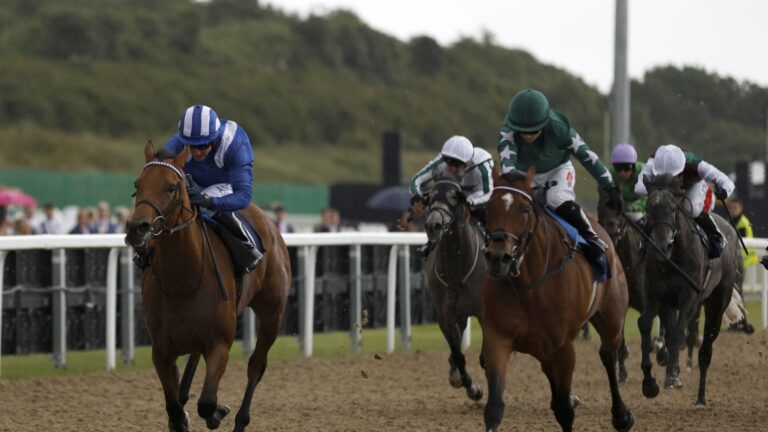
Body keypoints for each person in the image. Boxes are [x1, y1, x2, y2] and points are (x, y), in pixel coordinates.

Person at [498, 88, 623, 265]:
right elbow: (508, 168)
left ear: (545, 123)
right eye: (522, 131)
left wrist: (609, 186)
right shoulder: (507, 131)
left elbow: (587, 156)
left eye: (533, 131)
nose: (527, 136)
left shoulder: (560, 128)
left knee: (555, 198)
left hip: (558, 170)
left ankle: (592, 238)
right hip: (524, 176)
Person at [135, 104, 261, 274]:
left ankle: (246, 248)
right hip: (192, 180)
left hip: (225, 185)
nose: (197, 152)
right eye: (191, 146)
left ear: (214, 139)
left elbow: (244, 196)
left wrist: (209, 202)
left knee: (204, 202)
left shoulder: (235, 144)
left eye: (203, 146)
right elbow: (157, 170)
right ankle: (149, 247)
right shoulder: (181, 140)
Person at [634, 144, 734, 258]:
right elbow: (639, 188)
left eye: (673, 174)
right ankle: (644, 241)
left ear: (682, 167)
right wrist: (660, 193)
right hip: (665, 190)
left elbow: (727, 182)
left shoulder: (696, 165)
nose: (669, 178)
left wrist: (725, 191)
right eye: (663, 174)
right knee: (658, 204)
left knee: (692, 209)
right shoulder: (653, 162)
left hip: (692, 185)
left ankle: (717, 237)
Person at [409, 135, 493, 257]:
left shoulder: (482, 166)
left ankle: (491, 243)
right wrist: (417, 197)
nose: (451, 169)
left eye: (456, 166)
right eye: (448, 164)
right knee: (439, 204)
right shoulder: (442, 162)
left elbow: (489, 193)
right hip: (454, 193)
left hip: (479, 195)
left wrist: (469, 202)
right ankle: (431, 242)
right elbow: (416, 180)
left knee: (487, 214)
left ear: (467, 162)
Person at [609, 143, 646, 220]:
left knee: (637, 217)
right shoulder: (611, 174)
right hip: (622, 203)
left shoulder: (642, 172)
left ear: (633, 166)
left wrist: (634, 208)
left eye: (626, 168)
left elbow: (647, 198)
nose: (622, 173)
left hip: (640, 202)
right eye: (618, 168)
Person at [726, 198, 758, 268]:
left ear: (741, 208)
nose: (732, 210)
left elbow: (736, 241)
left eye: (735, 207)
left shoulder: (743, 223)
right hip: (740, 262)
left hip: (748, 262)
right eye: (730, 208)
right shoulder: (729, 221)